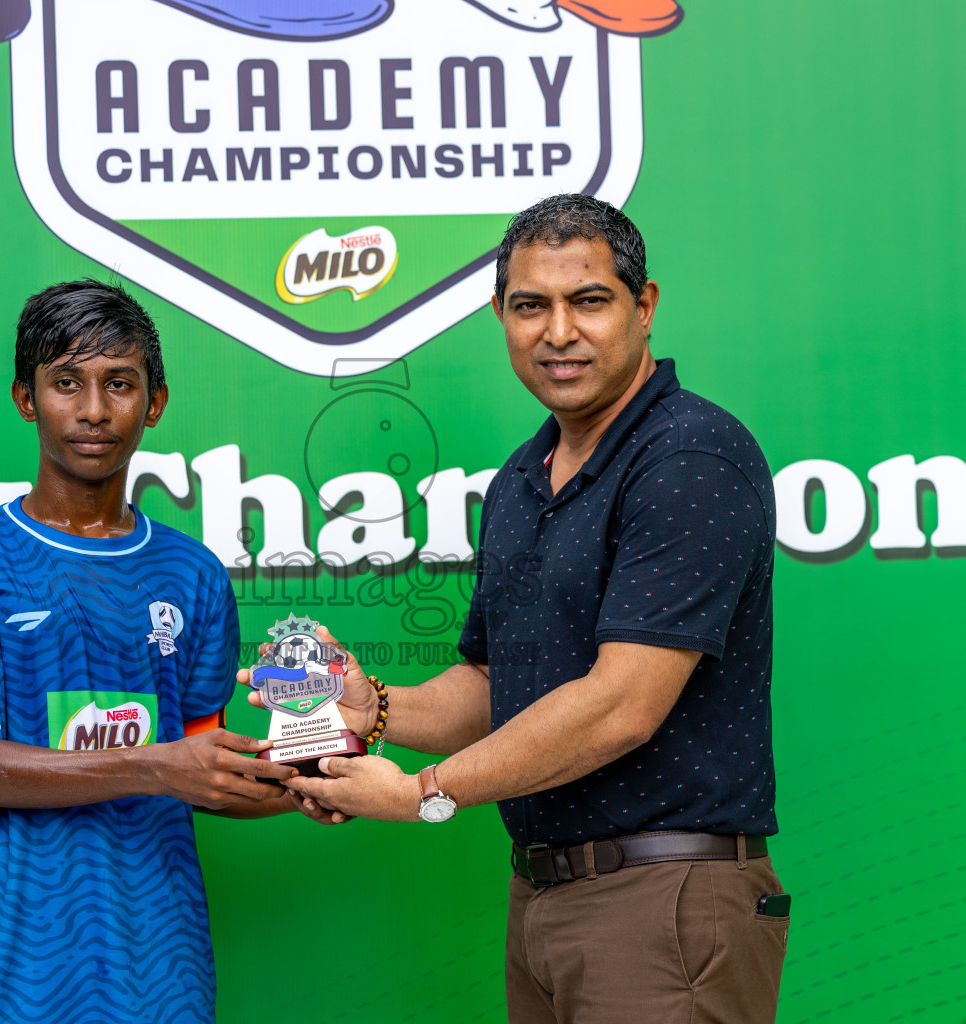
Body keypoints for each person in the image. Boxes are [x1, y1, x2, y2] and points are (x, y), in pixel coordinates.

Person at [274, 195, 787, 1023]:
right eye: (529, 306)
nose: (558, 332)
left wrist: (421, 792)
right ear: (499, 316)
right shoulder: (522, 478)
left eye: (588, 300)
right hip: (545, 899)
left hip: (666, 903)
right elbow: (494, 682)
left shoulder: (689, 455)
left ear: (643, 305)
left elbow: (622, 704)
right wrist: (374, 710)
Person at [0, 279, 325, 1024]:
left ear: (154, 403)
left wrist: (316, 779)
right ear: (26, 399)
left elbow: (203, 766)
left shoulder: (192, 574)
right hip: (4, 982)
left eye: (119, 384)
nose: (93, 411)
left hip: (159, 974)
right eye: (67, 383)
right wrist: (156, 763)